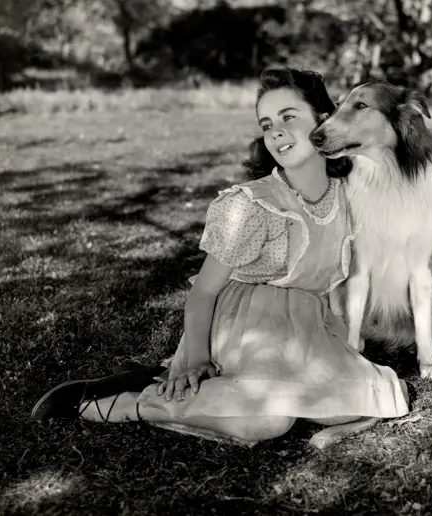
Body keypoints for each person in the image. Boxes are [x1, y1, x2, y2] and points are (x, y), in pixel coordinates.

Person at [31, 68, 410, 444]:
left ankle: (152, 377)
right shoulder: (253, 205)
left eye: (289, 117)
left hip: (307, 326)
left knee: (364, 401)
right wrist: (195, 358)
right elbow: (204, 291)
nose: (276, 131)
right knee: (267, 422)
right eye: (267, 124)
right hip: (246, 324)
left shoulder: (348, 195)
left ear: (323, 120)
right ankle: (126, 401)